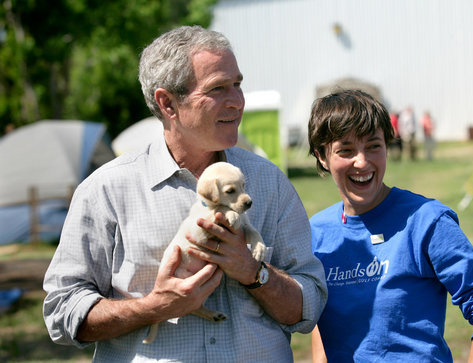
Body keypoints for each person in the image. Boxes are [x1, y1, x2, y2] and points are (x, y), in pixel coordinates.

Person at [43, 25, 327, 362]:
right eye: (217, 88)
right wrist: (154, 307)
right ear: (168, 103)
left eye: (237, 84)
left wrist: (254, 272)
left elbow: (308, 306)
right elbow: (62, 313)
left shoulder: (269, 181)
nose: (237, 101)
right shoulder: (105, 190)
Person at [307, 90, 473, 362]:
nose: (362, 161)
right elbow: (320, 317)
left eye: (373, 146)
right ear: (322, 156)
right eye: (345, 150)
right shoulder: (315, 233)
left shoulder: (427, 220)